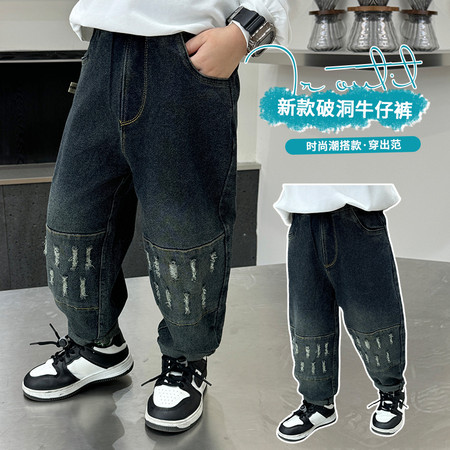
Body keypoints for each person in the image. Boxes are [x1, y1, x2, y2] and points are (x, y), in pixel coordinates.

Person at [22, 0, 289, 434]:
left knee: (183, 229)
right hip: (103, 53)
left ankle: (185, 361)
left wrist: (245, 32)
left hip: (183, 60)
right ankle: (97, 345)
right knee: (74, 219)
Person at [273, 184, 407, 442]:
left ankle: (391, 393)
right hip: (303, 218)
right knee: (308, 317)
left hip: (357, 214)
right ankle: (317, 404)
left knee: (371, 314)